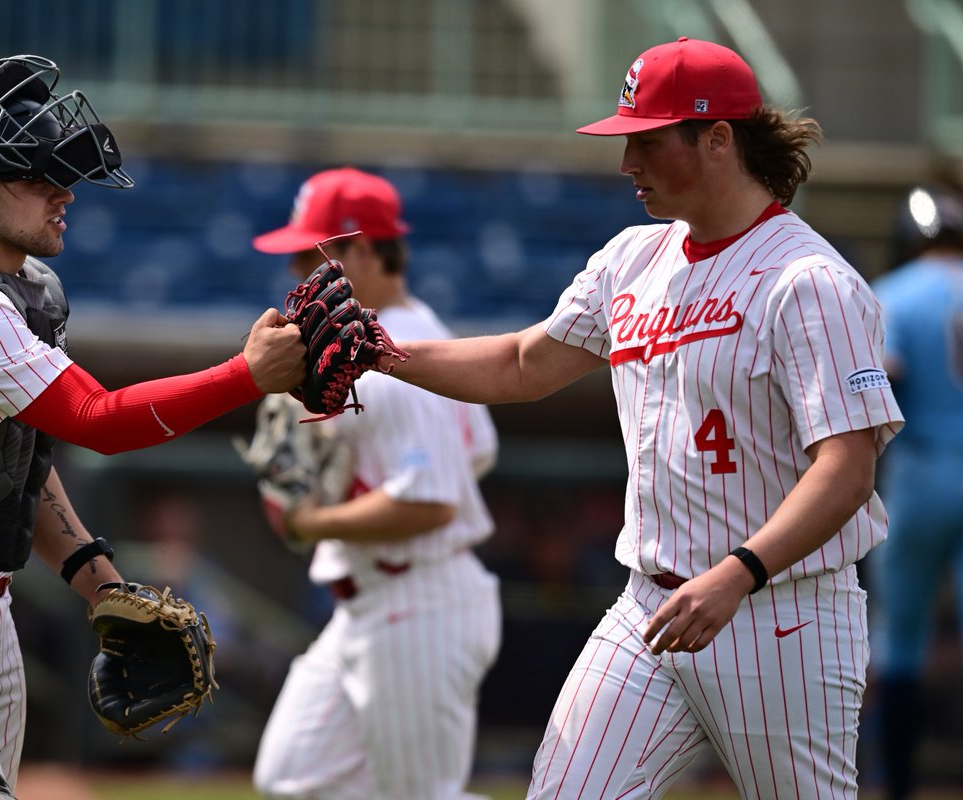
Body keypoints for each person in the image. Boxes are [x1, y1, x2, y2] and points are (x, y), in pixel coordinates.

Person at [381, 37, 904, 799]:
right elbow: (525, 365)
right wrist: (385, 353)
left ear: (718, 138)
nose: (627, 163)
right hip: (647, 608)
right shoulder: (631, 258)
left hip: (781, 611)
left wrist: (739, 573)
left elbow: (848, 471)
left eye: (646, 140)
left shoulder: (811, 282)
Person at [0, 54, 305, 800]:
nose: (64, 192)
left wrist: (100, 586)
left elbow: (16, 465)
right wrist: (245, 376)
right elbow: (99, 422)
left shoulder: (22, 291)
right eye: (36, 176)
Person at [249, 167, 503, 800]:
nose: (295, 277)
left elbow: (431, 502)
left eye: (309, 256)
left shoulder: (399, 352)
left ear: (360, 250)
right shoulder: (416, 332)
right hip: (374, 601)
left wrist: (309, 520)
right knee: (292, 777)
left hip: (419, 599)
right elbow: (480, 453)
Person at [866, 185, 963, 800]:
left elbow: (884, 380)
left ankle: (897, 787)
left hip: (922, 472)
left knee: (900, 638)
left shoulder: (894, 295)